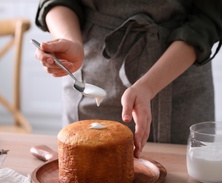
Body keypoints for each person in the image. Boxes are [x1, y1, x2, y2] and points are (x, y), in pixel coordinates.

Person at [34, 0, 222, 157]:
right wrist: (69, 41)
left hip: (181, 71)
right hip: (93, 68)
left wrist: (148, 86)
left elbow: (209, 15)